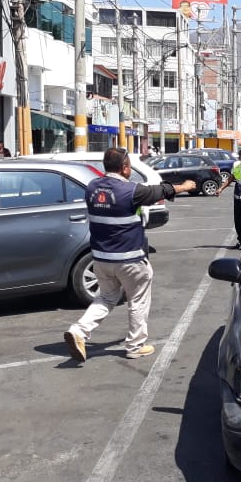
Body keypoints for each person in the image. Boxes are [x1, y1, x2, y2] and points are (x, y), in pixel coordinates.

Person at [63, 148, 196, 363]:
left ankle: (79, 331)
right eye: (128, 166)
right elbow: (161, 191)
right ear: (125, 168)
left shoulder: (92, 188)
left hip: (101, 260)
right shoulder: (131, 191)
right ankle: (135, 346)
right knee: (138, 301)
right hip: (130, 261)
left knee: (106, 298)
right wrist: (185, 186)